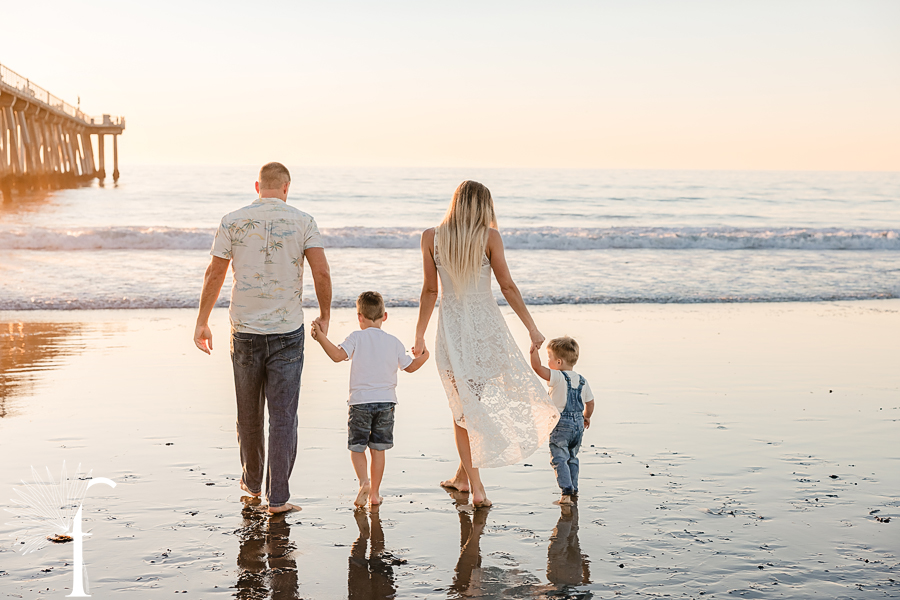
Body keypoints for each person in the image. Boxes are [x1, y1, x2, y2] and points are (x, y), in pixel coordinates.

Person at [193, 161, 332, 515]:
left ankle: (252, 485)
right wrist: (326, 316)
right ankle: (279, 499)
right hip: (287, 331)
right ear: (286, 187)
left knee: (248, 413)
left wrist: (202, 321)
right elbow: (321, 271)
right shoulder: (304, 221)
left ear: (258, 187)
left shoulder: (232, 220)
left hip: (245, 331)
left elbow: (215, 273)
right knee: (284, 416)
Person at [413, 180, 559, 507]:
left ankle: (474, 488)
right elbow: (507, 286)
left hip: (451, 328)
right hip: (485, 327)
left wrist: (420, 334)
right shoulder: (489, 237)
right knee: (469, 405)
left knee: (463, 410)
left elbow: (430, 291)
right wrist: (532, 328)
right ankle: (464, 478)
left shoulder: (431, 237)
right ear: (483, 206)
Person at [311, 291, 429, 506]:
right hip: (386, 403)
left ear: (359, 317)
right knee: (378, 449)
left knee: (357, 448)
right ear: (384, 316)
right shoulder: (393, 341)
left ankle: (364, 481)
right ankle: (374, 494)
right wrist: (424, 356)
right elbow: (410, 367)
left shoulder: (356, 337)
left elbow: (338, 356)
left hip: (360, 402)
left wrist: (321, 338)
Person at [530, 336, 595, 505]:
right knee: (572, 457)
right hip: (578, 425)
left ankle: (566, 492)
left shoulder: (557, 377)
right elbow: (590, 402)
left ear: (558, 362)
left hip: (561, 425)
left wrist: (533, 351)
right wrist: (586, 416)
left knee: (559, 458)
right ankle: (574, 488)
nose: (548, 362)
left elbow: (537, 367)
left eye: (549, 358)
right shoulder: (582, 380)